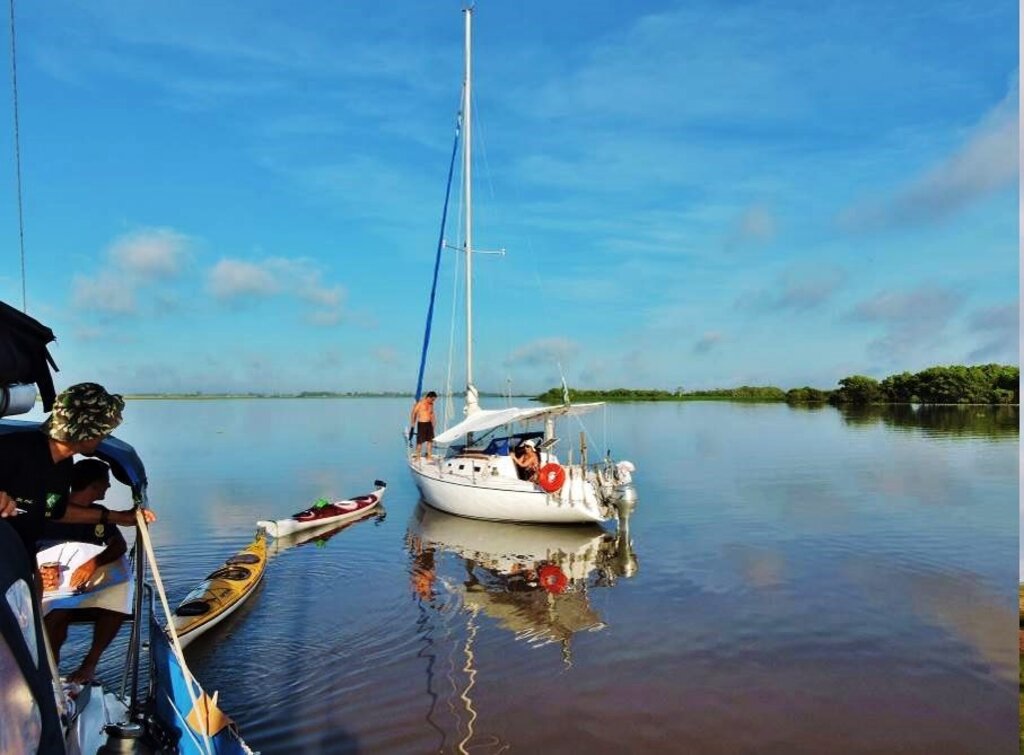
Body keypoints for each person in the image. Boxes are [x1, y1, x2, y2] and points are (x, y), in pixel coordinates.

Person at [40, 458, 156, 684]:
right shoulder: (49, 507)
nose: (109, 487)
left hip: (88, 586)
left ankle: (89, 664)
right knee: (57, 614)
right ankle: (49, 677)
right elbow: (26, 545)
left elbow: (118, 545)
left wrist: (93, 563)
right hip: (50, 585)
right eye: (106, 482)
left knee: (118, 599)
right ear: (93, 485)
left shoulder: (98, 512)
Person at [0, 383, 131, 560]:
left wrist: (119, 517)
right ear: (86, 431)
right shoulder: (14, 449)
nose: (104, 437)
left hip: (21, 557)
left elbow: (56, 511)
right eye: (104, 430)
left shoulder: (63, 463)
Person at [409, 391, 437, 460]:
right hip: (422, 423)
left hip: (429, 424)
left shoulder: (431, 404)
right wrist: (413, 423)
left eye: (434, 400)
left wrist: (434, 423)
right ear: (428, 397)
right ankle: (418, 456)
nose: (433, 401)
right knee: (420, 442)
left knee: (430, 441)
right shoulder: (420, 403)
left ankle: (429, 456)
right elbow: (414, 413)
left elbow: (432, 414)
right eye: (432, 399)